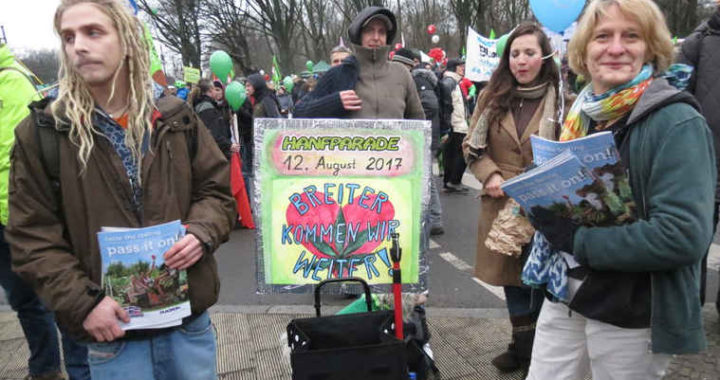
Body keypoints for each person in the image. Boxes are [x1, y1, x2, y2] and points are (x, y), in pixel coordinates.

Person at [5, 1, 236, 379]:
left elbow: (216, 191)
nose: (77, 45)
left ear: (127, 40)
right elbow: (32, 237)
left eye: (93, 32)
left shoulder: (175, 117)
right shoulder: (44, 132)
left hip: (187, 326)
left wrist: (201, 232)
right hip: (111, 334)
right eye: (68, 36)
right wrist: (83, 305)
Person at [524, 1, 715, 379]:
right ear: (583, 50)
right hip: (566, 294)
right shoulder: (586, 111)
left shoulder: (677, 121)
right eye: (602, 37)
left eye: (631, 36)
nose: (615, 48)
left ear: (651, 47)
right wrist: (539, 199)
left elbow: (683, 236)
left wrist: (578, 241)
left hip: (632, 309)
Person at [463, 22, 562, 372]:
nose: (521, 60)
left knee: (541, 279)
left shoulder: (562, 99)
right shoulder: (492, 97)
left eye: (529, 53)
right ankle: (522, 347)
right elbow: (472, 145)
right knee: (511, 280)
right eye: (515, 53)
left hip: (546, 203)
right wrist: (488, 173)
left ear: (544, 56)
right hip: (500, 201)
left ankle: (540, 353)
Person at [0, 42, 91, 380]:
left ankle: (79, 368)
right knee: (25, 301)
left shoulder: (10, 81)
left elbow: (13, 151)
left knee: (63, 296)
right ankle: (46, 368)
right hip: (9, 216)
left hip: (21, 214)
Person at [293, 6, 424, 120]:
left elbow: (418, 119)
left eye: (382, 32)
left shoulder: (401, 73)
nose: (376, 37)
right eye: (369, 30)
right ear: (359, 34)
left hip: (397, 148)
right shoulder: (339, 73)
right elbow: (299, 112)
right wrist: (333, 103)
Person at [678, 0, 720, 315]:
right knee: (697, 237)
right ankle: (688, 306)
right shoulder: (697, 43)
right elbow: (677, 100)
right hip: (704, 162)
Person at [393, 48, 445, 236]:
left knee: (426, 177)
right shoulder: (415, 79)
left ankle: (435, 218)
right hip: (423, 135)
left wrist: (412, 124)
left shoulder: (417, 80)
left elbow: (430, 106)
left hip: (423, 136)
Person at [439, 58, 469, 193]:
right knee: (461, 154)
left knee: (452, 155)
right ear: (453, 68)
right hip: (455, 126)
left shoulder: (453, 82)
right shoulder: (449, 82)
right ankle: (453, 181)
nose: (463, 68)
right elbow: (446, 106)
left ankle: (450, 182)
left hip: (457, 125)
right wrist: (447, 126)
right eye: (460, 66)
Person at [192, 79, 233, 158]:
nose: (216, 92)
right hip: (213, 153)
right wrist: (229, 145)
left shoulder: (204, 104)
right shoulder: (207, 108)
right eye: (215, 89)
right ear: (210, 90)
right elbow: (213, 133)